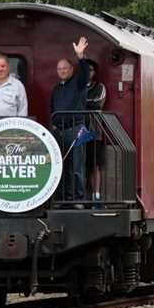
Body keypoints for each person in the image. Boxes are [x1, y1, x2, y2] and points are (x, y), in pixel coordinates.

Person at [50, 37, 91, 205]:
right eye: (59, 69)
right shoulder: (56, 89)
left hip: (76, 129)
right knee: (61, 166)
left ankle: (78, 198)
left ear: (71, 69)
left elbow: (85, 72)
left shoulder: (79, 83)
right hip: (59, 131)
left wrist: (81, 56)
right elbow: (52, 109)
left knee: (76, 167)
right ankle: (63, 198)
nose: (62, 71)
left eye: (65, 68)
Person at [85, 60, 107, 204]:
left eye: (91, 70)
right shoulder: (75, 86)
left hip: (94, 131)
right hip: (77, 129)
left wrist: (80, 103)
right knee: (78, 165)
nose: (88, 72)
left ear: (95, 72)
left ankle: (96, 196)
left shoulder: (100, 87)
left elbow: (97, 103)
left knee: (95, 165)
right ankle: (79, 196)